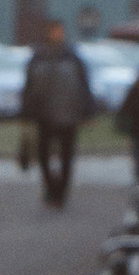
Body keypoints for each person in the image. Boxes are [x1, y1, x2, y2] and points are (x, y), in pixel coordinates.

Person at [18, 19, 96, 208]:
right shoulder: (38, 57)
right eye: (54, 31)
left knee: (66, 156)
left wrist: (87, 110)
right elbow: (29, 88)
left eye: (59, 31)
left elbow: (84, 86)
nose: (57, 35)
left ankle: (60, 192)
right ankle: (51, 188)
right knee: (44, 155)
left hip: (68, 114)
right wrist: (27, 111)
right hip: (44, 114)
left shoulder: (72, 57)